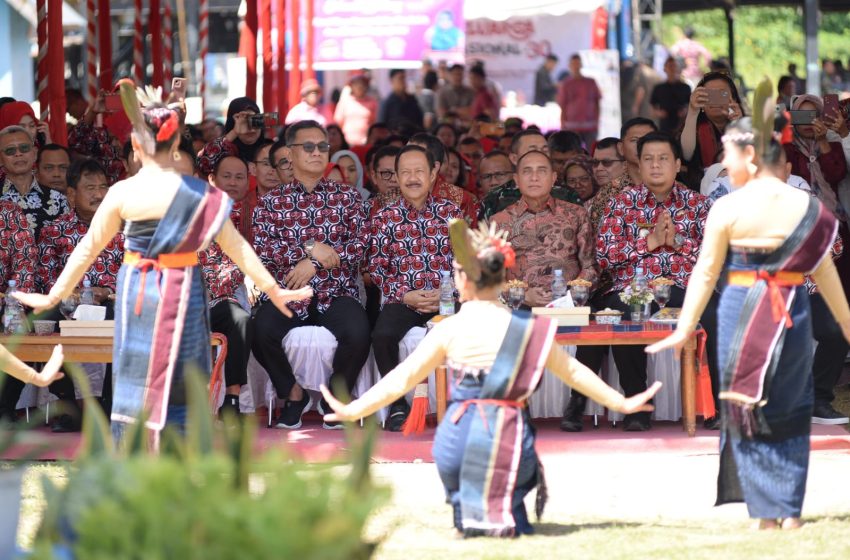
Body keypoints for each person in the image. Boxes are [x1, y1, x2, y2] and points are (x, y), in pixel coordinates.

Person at [320, 219, 660, 537]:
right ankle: (502, 515)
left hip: (459, 444)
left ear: (461, 281)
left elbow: (402, 378)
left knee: (471, 506)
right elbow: (574, 371)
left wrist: (354, 409)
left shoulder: (449, 329)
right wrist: (620, 402)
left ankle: (477, 518)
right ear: (504, 280)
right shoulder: (528, 328)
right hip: (510, 442)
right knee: (509, 501)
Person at [16, 86, 311, 440]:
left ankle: (155, 447)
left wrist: (54, 295)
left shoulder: (138, 192)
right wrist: (273, 289)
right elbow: (238, 249)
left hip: (161, 286)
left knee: (158, 379)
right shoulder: (173, 193)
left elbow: (88, 249)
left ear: (137, 147)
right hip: (161, 285)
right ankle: (164, 447)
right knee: (152, 378)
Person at [647, 114, 850, 530]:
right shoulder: (806, 204)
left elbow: (706, 271)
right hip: (789, 305)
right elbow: (825, 274)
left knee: (748, 407)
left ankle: (766, 512)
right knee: (789, 406)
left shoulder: (727, 206)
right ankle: (786, 509)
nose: (723, 162)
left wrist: (685, 327)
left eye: (729, 154)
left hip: (745, 308)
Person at [591, 132, 718, 432]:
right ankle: (638, 406)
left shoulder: (699, 205)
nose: (655, 165)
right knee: (623, 316)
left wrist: (677, 243)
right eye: (648, 159)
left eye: (663, 159)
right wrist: (649, 242)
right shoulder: (622, 203)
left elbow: (716, 255)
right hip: (634, 289)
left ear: (677, 165)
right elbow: (605, 255)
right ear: (638, 164)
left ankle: (717, 407)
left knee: (717, 314)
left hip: (685, 287)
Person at [251, 120, 371, 430]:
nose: (317, 152)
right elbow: (264, 249)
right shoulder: (270, 202)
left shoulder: (348, 197)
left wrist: (314, 264)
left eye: (322, 146)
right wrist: (309, 248)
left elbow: (360, 245)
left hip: (336, 291)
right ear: (290, 154)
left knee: (359, 331)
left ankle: (336, 398)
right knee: (259, 330)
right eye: (308, 146)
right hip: (289, 292)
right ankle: (293, 394)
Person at [369, 145, 462, 431]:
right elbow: (377, 267)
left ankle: (463, 403)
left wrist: (449, 292)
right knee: (382, 336)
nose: (412, 178)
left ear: (433, 174)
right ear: (396, 177)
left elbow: (466, 263)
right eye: (405, 172)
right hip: (404, 299)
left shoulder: (451, 212)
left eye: (419, 171)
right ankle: (397, 403)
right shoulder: (385, 217)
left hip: (446, 297)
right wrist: (404, 295)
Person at [35, 158, 123, 431]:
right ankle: (67, 405)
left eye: (103, 187)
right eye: (90, 188)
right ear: (71, 194)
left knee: (118, 321)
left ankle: (106, 404)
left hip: (109, 302)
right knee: (44, 321)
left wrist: (107, 290)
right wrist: (70, 293)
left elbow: (135, 272)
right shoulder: (54, 230)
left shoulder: (122, 229)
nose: (99, 194)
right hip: (68, 303)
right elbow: (46, 276)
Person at [491, 150, 597, 307]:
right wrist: (521, 295)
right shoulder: (499, 221)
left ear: (553, 178)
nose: (534, 178)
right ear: (516, 180)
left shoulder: (576, 215)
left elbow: (590, 266)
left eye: (541, 171)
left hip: (569, 306)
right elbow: (490, 278)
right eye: (527, 171)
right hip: (519, 309)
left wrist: (568, 298)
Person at [200, 155, 255, 417]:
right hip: (188, 301)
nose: (233, 182)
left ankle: (231, 400)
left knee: (241, 319)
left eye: (239, 177)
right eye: (227, 176)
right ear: (212, 179)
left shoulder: (255, 215)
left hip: (226, 299)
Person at [478, 129, 581, 221]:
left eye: (545, 150)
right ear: (514, 158)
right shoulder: (494, 199)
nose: (540, 155)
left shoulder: (568, 195)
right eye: (533, 150)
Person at [0, 125, 70, 240]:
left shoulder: (59, 199)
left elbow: (66, 244)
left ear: (34, 153)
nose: (18, 154)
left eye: (24, 148)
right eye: (10, 150)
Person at [679, 72, 744, 190]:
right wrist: (692, 111)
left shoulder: (747, 125)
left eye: (722, 94)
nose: (716, 100)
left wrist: (740, 125)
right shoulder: (693, 126)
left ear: (733, 99)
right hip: (701, 191)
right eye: (710, 95)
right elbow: (686, 154)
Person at [557, 55, 601, 148]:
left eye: (578, 63)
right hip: (571, 126)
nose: (576, 66)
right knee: (573, 152)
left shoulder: (591, 82)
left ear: (581, 65)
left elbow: (597, 103)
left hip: (590, 125)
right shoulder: (566, 84)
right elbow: (563, 105)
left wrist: (597, 122)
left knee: (591, 151)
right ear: (569, 65)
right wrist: (562, 124)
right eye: (574, 64)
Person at [651, 57, 692, 135]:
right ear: (665, 69)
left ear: (679, 69)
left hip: (682, 125)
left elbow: (691, 105)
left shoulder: (686, 88)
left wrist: (685, 111)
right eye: (670, 66)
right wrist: (659, 113)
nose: (673, 69)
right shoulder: (659, 88)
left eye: (675, 66)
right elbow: (652, 107)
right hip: (664, 126)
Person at [334, 74, 378, 146]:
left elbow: (374, 121)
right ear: (351, 86)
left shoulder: (372, 102)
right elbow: (338, 121)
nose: (360, 86)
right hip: (347, 142)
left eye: (362, 84)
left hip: (366, 142)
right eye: (356, 84)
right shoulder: (344, 101)